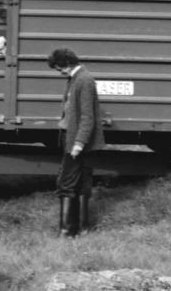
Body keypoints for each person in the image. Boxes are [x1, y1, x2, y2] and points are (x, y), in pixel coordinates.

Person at [47, 47, 104, 238]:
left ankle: (66, 232)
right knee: (81, 182)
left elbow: (88, 117)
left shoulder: (84, 80)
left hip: (75, 140)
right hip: (74, 138)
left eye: (59, 68)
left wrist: (78, 143)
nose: (59, 71)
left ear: (67, 63)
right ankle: (82, 229)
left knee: (66, 182)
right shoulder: (75, 78)